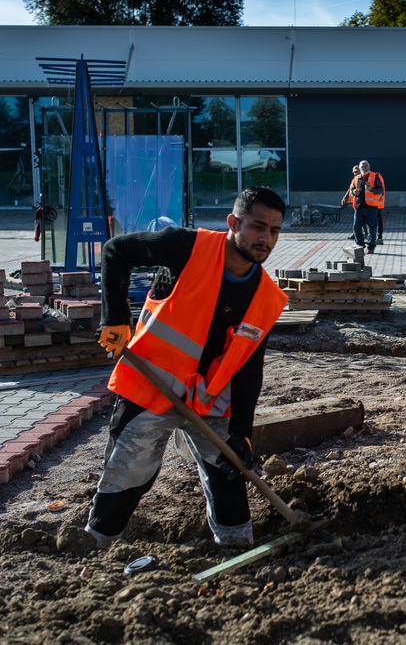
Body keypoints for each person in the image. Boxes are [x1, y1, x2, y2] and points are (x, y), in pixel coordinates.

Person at [87, 186, 288, 548]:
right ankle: (94, 548)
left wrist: (242, 433)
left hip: (210, 399)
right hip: (152, 386)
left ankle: (237, 551)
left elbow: (248, 369)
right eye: (258, 226)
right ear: (233, 222)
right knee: (129, 473)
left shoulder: (268, 298)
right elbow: (116, 250)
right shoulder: (187, 246)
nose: (265, 238)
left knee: (230, 472)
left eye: (274, 230)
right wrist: (115, 318)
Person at [349, 159, 385, 254]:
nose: (364, 168)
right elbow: (351, 190)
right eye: (362, 167)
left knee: (372, 229)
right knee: (356, 227)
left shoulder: (375, 177)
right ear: (360, 169)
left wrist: (371, 189)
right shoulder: (356, 179)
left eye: (366, 167)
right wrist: (354, 192)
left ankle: (371, 247)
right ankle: (360, 245)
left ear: (369, 167)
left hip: (371, 208)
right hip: (359, 207)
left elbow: (381, 190)